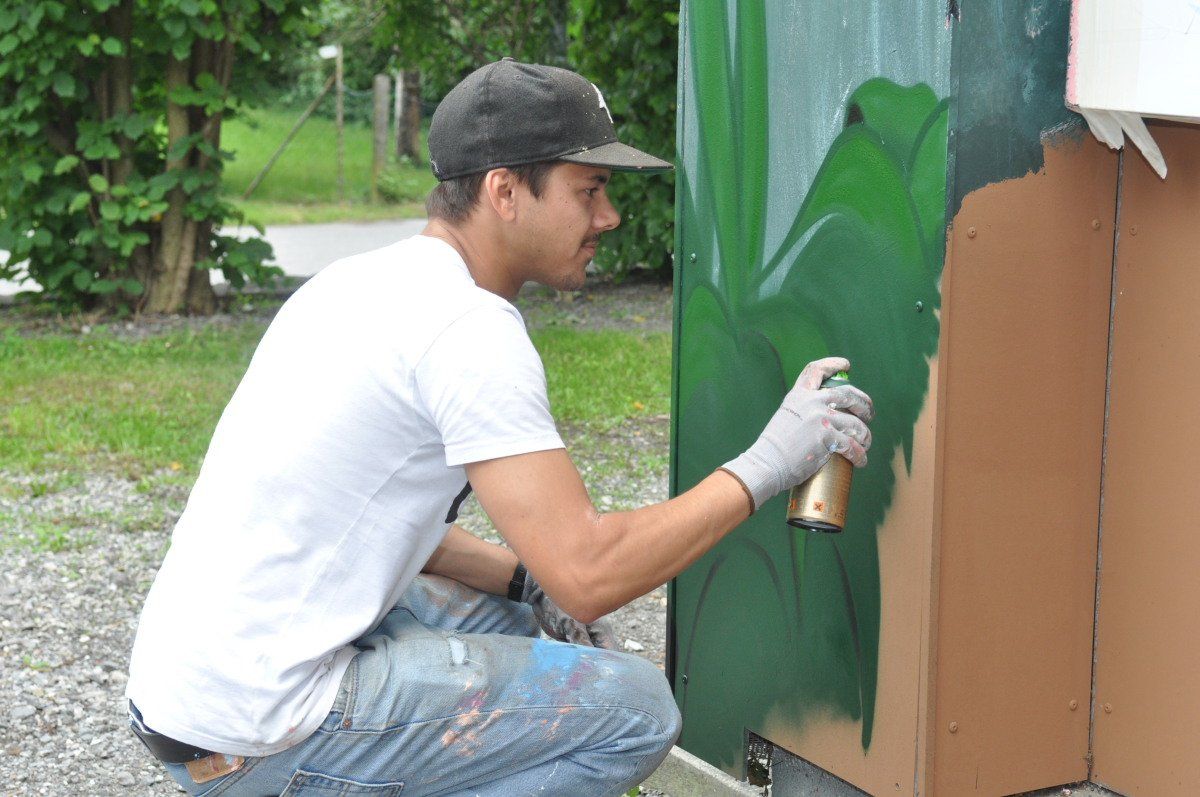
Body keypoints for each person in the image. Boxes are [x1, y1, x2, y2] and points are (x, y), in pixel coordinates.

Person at [125, 58, 874, 796]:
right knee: (637, 712)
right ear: (505, 191)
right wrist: (770, 461)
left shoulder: (357, 283)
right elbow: (590, 574)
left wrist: (527, 583)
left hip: (187, 699)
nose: (609, 216)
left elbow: (376, 521)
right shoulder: (467, 329)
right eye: (589, 190)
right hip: (263, 732)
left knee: (520, 621)